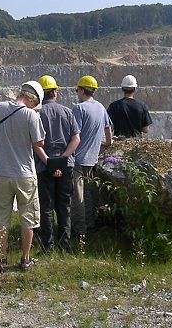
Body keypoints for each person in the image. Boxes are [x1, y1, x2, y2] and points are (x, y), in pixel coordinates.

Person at [0, 80, 46, 271]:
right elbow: (39, 143)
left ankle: (1, 259)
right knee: (28, 217)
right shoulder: (32, 116)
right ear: (33, 99)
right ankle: (25, 259)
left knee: (1, 217)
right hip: (25, 173)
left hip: (2, 171)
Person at [35, 75, 80, 253]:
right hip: (66, 165)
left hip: (43, 164)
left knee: (46, 207)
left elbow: (34, 142)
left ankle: (47, 246)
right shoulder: (67, 112)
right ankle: (65, 244)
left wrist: (49, 161)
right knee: (64, 205)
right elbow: (76, 139)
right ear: (55, 92)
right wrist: (62, 159)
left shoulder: (36, 114)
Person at [71, 75, 113, 238]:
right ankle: (91, 223)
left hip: (79, 160)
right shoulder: (101, 108)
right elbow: (108, 136)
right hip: (93, 160)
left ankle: (79, 231)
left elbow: (75, 135)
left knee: (78, 197)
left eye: (77, 90)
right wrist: (101, 143)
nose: (76, 93)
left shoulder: (79, 109)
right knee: (88, 195)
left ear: (82, 90)